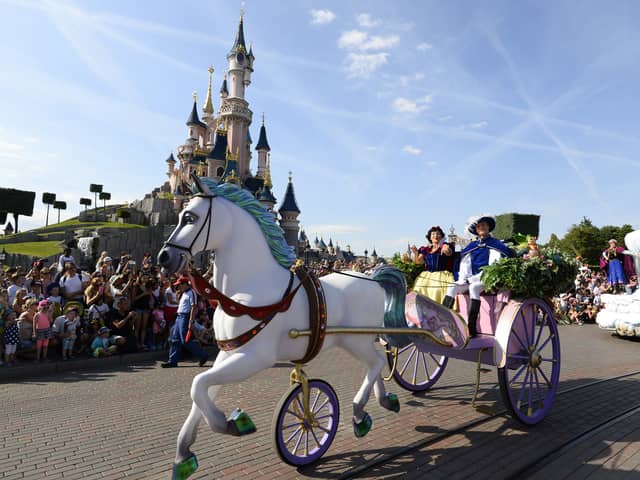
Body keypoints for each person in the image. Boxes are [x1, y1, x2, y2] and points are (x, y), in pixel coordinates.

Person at [443, 215, 513, 337]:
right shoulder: (472, 246)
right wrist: (463, 279)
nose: (482, 228)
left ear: (489, 227)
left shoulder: (496, 244)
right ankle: (443, 322)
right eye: (479, 226)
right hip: (470, 279)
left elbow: (493, 267)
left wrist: (474, 279)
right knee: (452, 286)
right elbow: (465, 265)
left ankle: (471, 328)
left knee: (474, 287)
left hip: (489, 280)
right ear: (476, 229)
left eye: (484, 225)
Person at [161, 276, 209, 368]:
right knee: (174, 339)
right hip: (179, 317)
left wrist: (191, 320)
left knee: (185, 341)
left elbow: (193, 307)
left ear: (185, 284)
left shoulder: (192, 293)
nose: (178, 287)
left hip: (185, 318)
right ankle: (172, 361)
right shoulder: (184, 293)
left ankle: (203, 355)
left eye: (180, 285)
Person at [410, 225, 456, 303]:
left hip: (442, 275)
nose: (436, 236)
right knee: (419, 288)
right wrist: (416, 253)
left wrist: (446, 248)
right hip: (427, 276)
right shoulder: (425, 249)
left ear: (441, 236)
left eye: (438, 234)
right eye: (433, 234)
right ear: (430, 237)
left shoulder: (444, 246)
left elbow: (449, 253)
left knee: (436, 290)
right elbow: (418, 262)